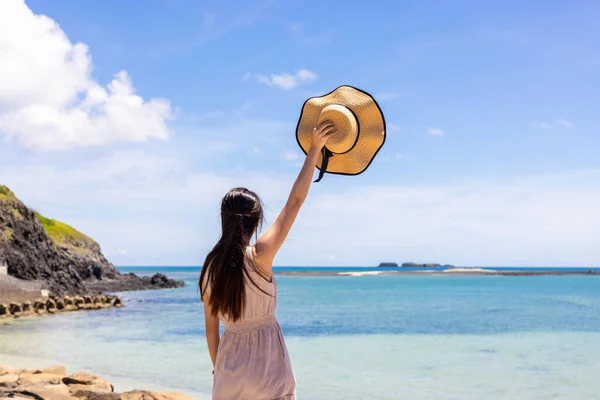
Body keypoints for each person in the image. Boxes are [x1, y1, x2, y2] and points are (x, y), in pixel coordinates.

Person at [199, 121, 337, 400]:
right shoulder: (260, 254)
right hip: (267, 371)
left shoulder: (210, 268)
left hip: (229, 371)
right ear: (257, 219)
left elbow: (211, 331)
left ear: (224, 219)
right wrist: (313, 151)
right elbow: (294, 203)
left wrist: (221, 370)